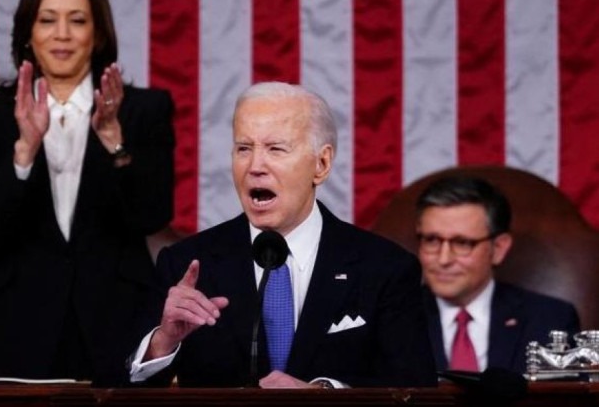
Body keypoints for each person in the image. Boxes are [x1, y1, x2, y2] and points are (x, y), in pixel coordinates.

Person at [128, 81, 437, 388]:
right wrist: (163, 342)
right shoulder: (185, 266)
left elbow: (414, 390)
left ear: (322, 164)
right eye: (243, 149)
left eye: (275, 149)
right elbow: (122, 392)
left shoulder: (385, 268)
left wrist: (325, 396)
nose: (255, 166)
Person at [0, 0, 173, 384]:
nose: (62, 34)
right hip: (9, 332)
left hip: (115, 325)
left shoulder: (144, 111)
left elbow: (151, 215)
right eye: (47, 20)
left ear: (98, 33)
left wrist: (114, 141)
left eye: (77, 20)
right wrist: (23, 151)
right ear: (28, 33)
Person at [415, 175, 580, 374]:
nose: (443, 259)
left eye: (462, 243)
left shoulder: (550, 319)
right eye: (432, 240)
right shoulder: (392, 317)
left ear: (499, 248)